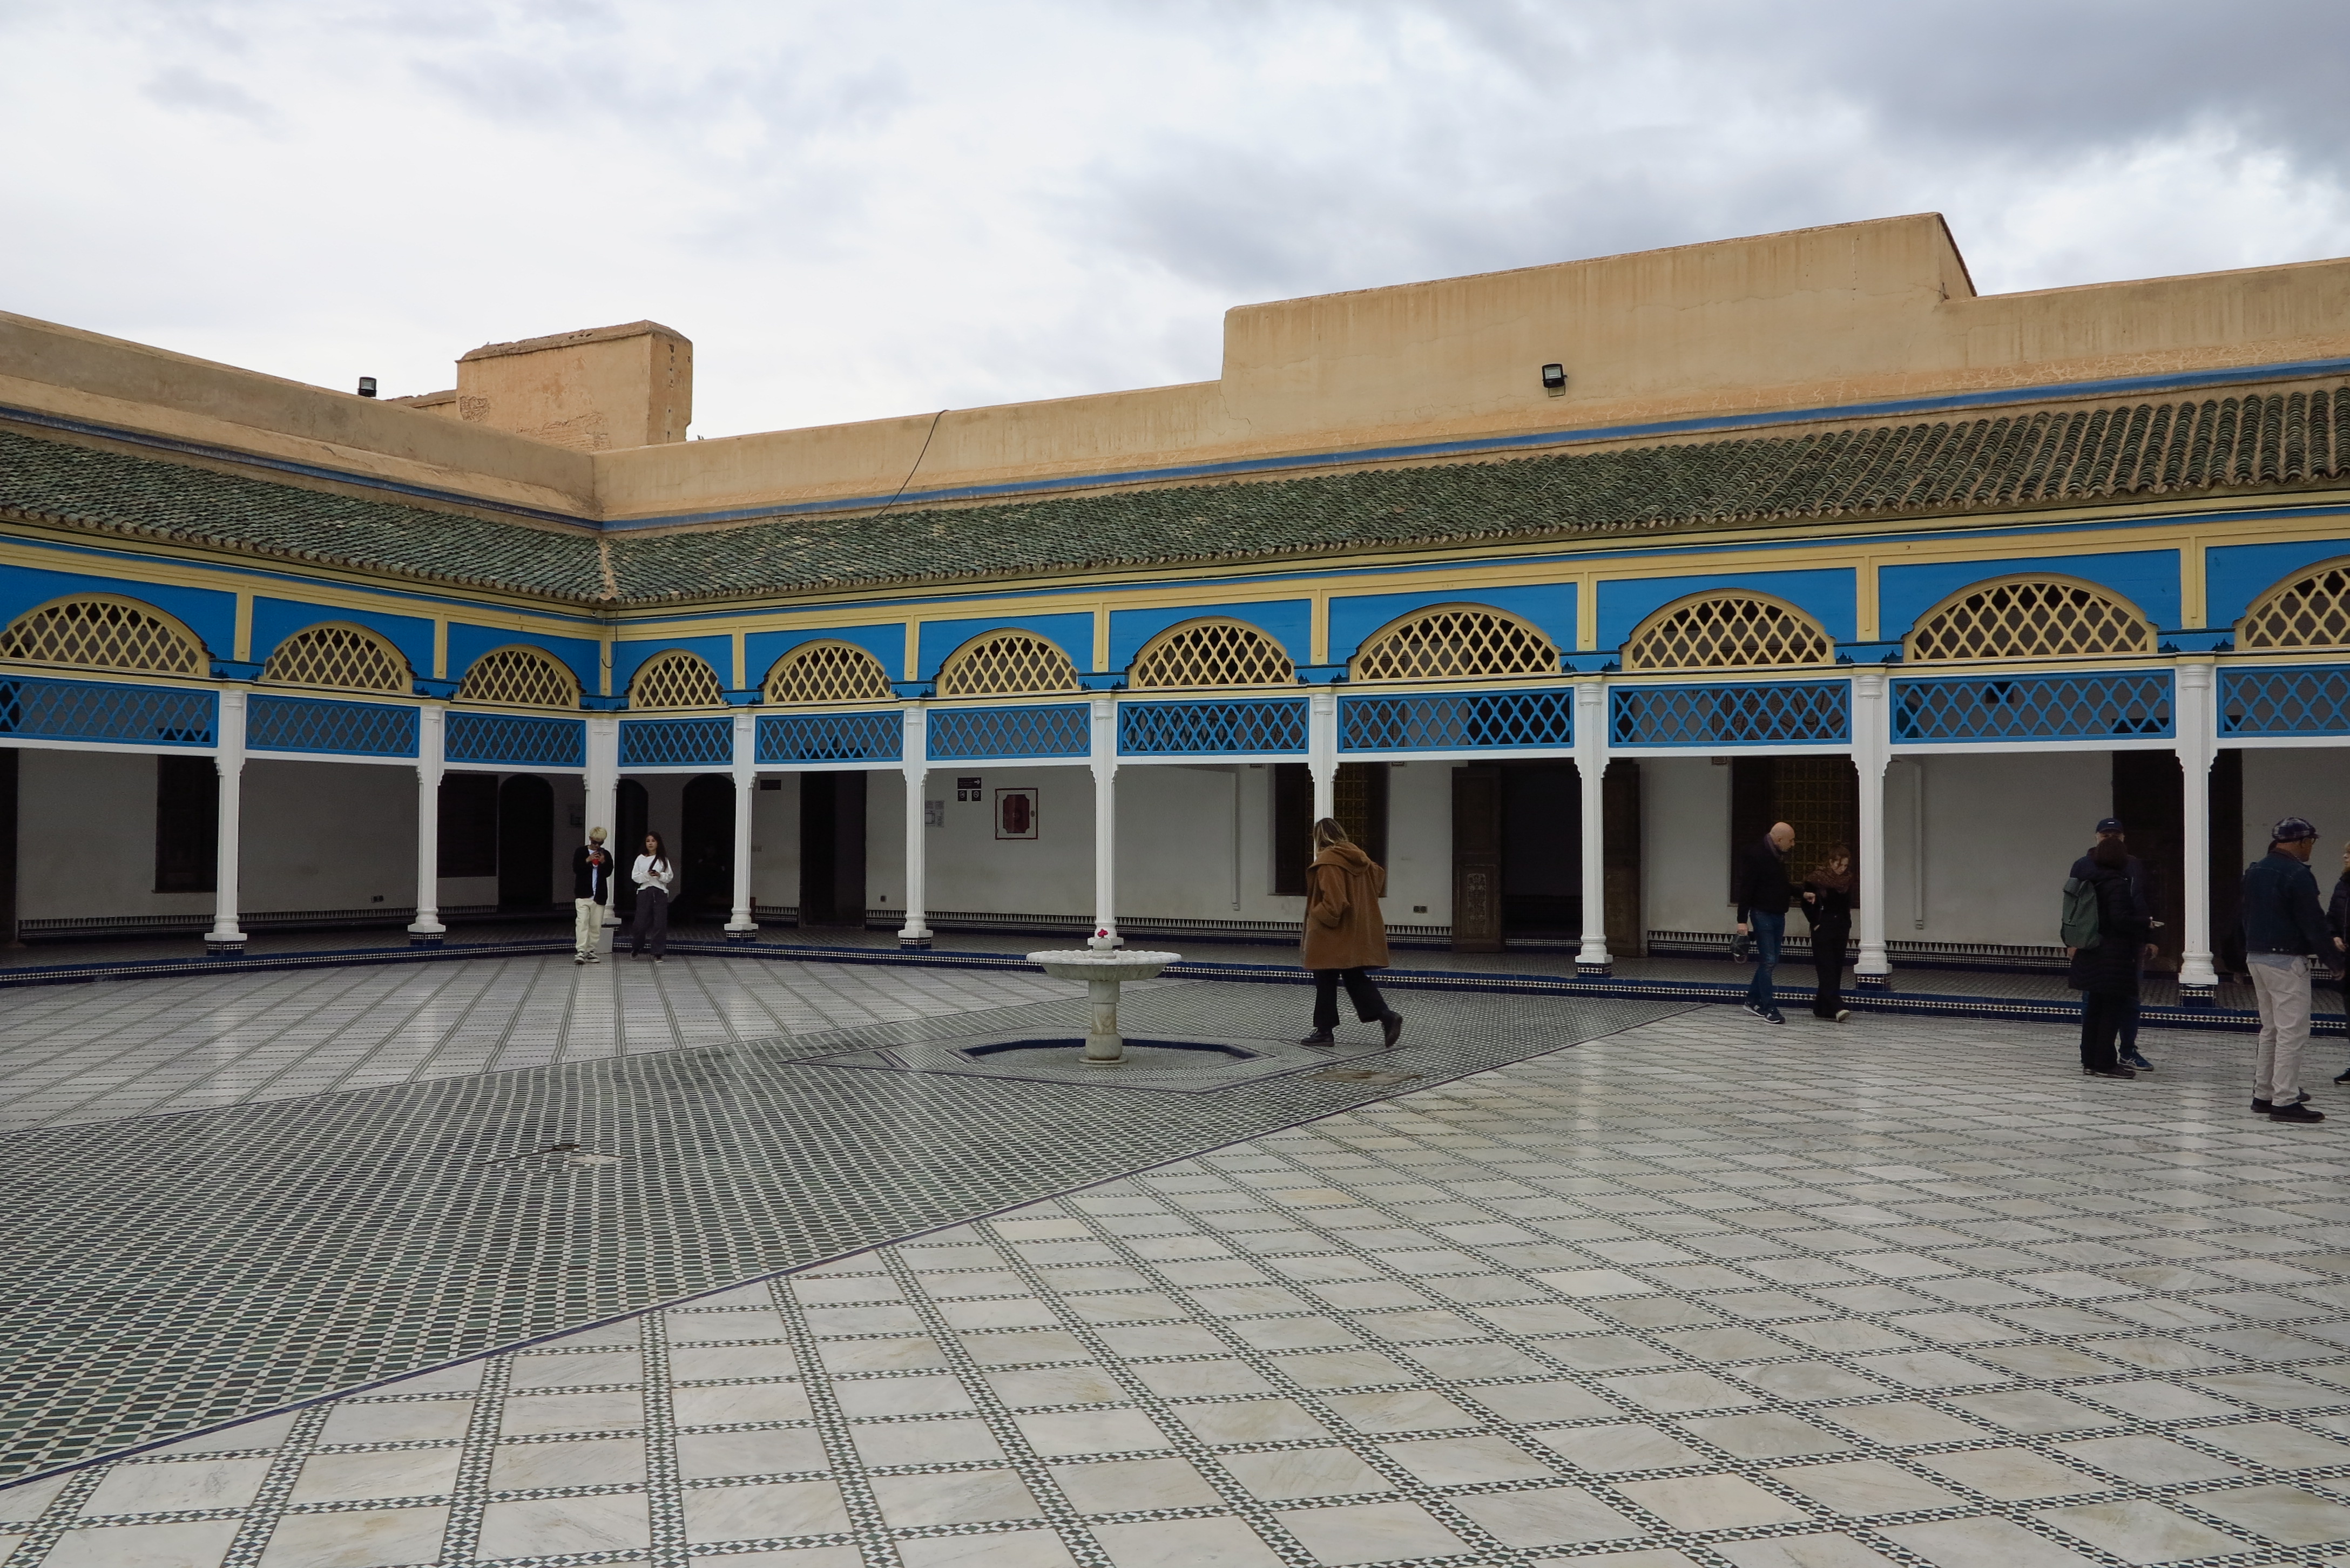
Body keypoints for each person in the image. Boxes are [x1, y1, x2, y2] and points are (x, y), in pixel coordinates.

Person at [2242, 816, 2341, 1122]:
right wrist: (2334, 962)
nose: (2311, 848)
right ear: (2301, 841)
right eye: (2310, 842)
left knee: (2271, 1029)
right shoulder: (2297, 874)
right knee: (2293, 1032)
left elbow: (2241, 916)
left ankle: (2264, 1094)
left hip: (2256, 957)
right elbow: (2312, 922)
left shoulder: (2255, 870)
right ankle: (2285, 1100)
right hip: (2286, 960)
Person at [1299, 818, 1404, 1049]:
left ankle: (1324, 1031)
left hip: (1331, 933)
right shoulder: (1361, 859)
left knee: (1325, 978)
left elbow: (1335, 904)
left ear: (1319, 838)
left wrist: (1316, 913)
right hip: (1354, 931)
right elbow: (1377, 881)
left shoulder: (1329, 862)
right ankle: (1386, 1016)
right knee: (1353, 976)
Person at [2074, 817, 2159, 1072]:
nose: (2111, 840)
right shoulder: (2103, 876)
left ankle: (2106, 1055)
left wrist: (2150, 938)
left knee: (2113, 1003)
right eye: (2106, 835)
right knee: (2105, 1004)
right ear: (2097, 837)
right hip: (2112, 949)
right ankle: (2101, 1059)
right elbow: (2112, 916)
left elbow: (2145, 899)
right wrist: (2145, 924)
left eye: (2115, 835)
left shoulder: (2132, 868)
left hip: (2109, 947)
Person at [1734, 821, 1795, 1024]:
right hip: (1762, 915)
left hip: (1778, 914)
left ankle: (1752, 1000)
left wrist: (1802, 893)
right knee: (1768, 960)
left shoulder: (1777, 856)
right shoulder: (1756, 855)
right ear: (1779, 839)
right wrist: (1742, 921)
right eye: (1791, 840)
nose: (1793, 844)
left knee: (1771, 961)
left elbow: (1781, 885)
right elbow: (1746, 888)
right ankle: (1769, 1007)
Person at [1799, 844, 1854, 1022]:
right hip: (1823, 927)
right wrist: (1816, 923)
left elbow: (1846, 905)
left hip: (1841, 927)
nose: (1842, 869)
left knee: (1836, 967)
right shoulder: (1816, 879)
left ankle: (1822, 1008)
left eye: (1845, 865)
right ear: (1831, 862)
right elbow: (1806, 904)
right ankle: (1837, 1006)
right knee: (1826, 966)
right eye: (1839, 864)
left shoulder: (1847, 880)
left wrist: (1847, 924)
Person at [629, 831, 677, 962]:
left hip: (660, 892)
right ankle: (637, 946)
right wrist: (647, 875)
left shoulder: (663, 859)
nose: (650, 843)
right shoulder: (640, 859)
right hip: (645, 892)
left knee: (660, 924)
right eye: (648, 841)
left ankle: (658, 952)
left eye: (653, 841)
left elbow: (669, 877)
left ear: (658, 843)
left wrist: (659, 875)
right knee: (640, 923)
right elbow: (635, 877)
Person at [571, 827, 614, 965]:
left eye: (600, 843)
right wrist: (587, 860)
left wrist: (603, 862)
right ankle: (581, 951)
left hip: (599, 895)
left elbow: (608, 873)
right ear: (590, 839)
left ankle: (591, 950)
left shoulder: (605, 854)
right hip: (583, 894)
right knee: (582, 922)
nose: (597, 846)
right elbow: (576, 869)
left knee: (595, 925)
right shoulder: (581, 852)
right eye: (595, 842)